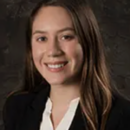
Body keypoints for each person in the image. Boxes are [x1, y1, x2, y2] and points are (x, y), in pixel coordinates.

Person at [3, 0, 130, 130]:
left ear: (88, 42)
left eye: (66, 37)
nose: (53, 51)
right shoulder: (17, 108)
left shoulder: (122, 117)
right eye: (42, 38)